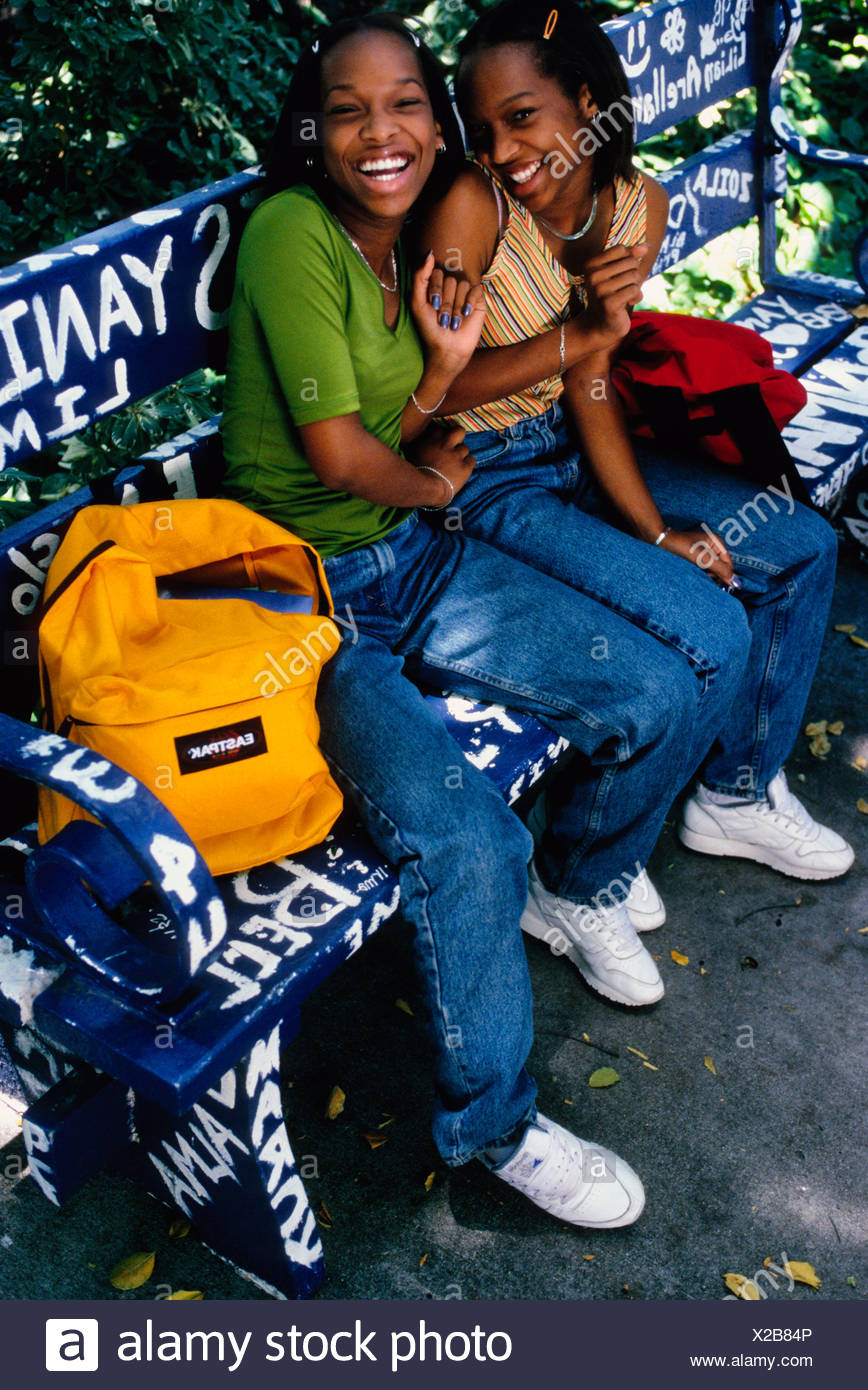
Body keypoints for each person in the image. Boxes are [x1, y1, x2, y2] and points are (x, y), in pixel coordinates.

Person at [219, 13, 749, 1229]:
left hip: (417, 555)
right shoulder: (292, 232)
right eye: (349, 109)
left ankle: (584, 887)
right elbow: (351, 453)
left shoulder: (419, 235)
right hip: (310, 604)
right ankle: (493, 1127)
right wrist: (441, 477)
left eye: (406, 103)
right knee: (466, 840)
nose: (381, 130)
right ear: (316, 127)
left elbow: (425, 406)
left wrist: (453, 381)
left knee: (662, 685)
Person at [418, 0, 853, 920]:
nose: (500, 149)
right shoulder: (472, 205)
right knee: (697, 624)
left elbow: (594, 383)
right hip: (482, 469)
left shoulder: (635, 205)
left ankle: (734, 794)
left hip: (577, 445)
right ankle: (581, 869)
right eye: (482, 127)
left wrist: (653, 525)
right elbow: (425, 396)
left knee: (802, 548)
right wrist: (655, 532)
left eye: (523, 118)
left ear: (586, 101)